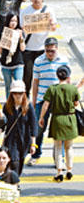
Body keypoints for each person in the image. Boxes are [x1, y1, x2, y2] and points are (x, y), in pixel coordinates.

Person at [29, 36, 68, 165]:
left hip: (59, 101)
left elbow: (67, 81)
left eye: (52, 50)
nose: (50, 53)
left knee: (59, 129)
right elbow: (35, 82)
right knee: (39, 129)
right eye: (47, 50)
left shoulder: (63, 60)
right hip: (42, 99)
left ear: (57, 48)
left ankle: (59, 157)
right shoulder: (38, 61)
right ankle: (36, 154)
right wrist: (33, 102)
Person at [39, 65, 80, 181]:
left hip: (57, 119)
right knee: (69, 147)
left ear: (57, 76)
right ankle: (70, 170)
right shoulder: (73, 89)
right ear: (68, 76)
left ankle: (59, 172)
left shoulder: (52, 89)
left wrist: (41, 117)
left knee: (58, 147)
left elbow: (45, 105)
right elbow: (76, 103)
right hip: (70, 118)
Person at [20, 0, 57, 96]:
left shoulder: (49, 10)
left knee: (44, 75)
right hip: (28, 49)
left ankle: (43, 97)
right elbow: (22, 28)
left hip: (43, 49)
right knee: (28, 75)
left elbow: (54, 27)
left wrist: (50, 24)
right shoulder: (25, 11)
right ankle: (25, 98)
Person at [3, 79, 37, 175]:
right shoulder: (7, 106)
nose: (18, 96)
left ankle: (16, 179)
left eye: (20, 93)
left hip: (24, 139)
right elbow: (3, 123)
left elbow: (33, 125)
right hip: (11, 139)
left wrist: (33, 144)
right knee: (14, 161)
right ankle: (14, 182)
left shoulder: (28, 106)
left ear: (24, 93)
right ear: (11, 94)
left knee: (20, 160)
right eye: (15, 93)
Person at [0, 12, 26, 99]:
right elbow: (0, 48)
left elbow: (23, 49)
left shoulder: (20, 32)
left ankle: (19, 104)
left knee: (19, 85)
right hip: (6, 64)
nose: (13, 23)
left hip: (18, 63)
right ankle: (9, 105)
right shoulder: (4, 32)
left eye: (15, 21)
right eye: (11, 21)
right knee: (8, 86)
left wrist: (21, 38)